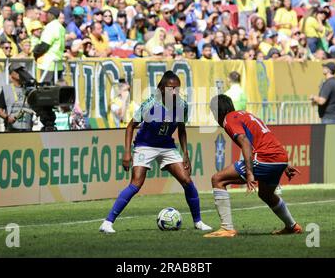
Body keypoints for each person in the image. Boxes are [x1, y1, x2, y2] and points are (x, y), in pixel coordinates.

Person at [99, 71, 212, 233]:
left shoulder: (182, 105)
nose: (174, 91)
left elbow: (181, 130)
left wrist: (185, 153)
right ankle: (107, 222)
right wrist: (127, 152)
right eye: (170, 88)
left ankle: (198, 221)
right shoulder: (151, 105)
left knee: (187, 181)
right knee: (136, 183)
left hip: (166, 145)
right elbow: (130, 126)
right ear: (161, 88)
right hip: (145, 145)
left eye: (176, 88)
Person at [204, 94, 302, 238]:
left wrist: (250, 172)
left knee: (218, 179)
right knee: (266, 194)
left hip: (264, 158)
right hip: (279, 157)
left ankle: (227, 228)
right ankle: (292, 226)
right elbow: (267, 138)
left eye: (213, 113)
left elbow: (245, 142)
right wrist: (284, 165)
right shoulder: (246, 115)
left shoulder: (228, 119)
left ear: (216, 112)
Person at [0, 63, 34, 132]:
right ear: (11, 75)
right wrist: (8, 118)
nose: (19, 73)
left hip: (27, 129)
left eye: (21, 71)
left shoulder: (29, 89)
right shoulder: (6, 89)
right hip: (11, 130)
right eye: (17, 71)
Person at [33, 7, 66, 84]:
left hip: (48, 65)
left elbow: (44, 45)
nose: (45, 16)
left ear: (51, 15)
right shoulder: (61, 27)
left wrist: (35, 53)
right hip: (58, 64)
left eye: (47, 14)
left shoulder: (51, 26)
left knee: (46, 91)